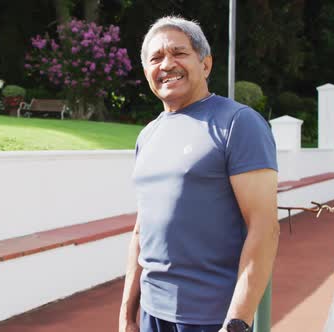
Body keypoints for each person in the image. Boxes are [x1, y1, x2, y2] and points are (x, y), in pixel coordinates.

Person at [119, 16, 279, 332]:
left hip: (211, 318)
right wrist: (127, 315)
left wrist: (238, 321)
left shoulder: (239, 124)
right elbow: (141, 231)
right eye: (156, 58)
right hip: (153, 313)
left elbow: (264, 227)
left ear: (205, 65)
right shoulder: (148, 135)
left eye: (179, 53)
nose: (167, 64)